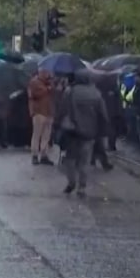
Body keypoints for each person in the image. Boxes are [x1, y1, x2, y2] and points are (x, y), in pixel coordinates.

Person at [55, 68, 109, 197]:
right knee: (85, 161)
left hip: (72, 131)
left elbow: (62, 110)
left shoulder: (70, 91)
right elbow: (103, 114)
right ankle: (82, 187)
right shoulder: (96, 93)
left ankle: (71, 182)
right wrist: (103, 131)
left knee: (70, 159)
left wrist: (57, 125)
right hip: (90, 132)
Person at [27, 69, 56, 165]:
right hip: (39, 111)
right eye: (46, 72)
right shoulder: (34, 82)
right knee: (37, 134)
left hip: (49, 111)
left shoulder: (50, 83)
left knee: (46, 135)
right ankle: (34, 155)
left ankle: (44, 154)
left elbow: (55, 95)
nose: (48, 74)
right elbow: (35, 94)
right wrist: (48, 88)